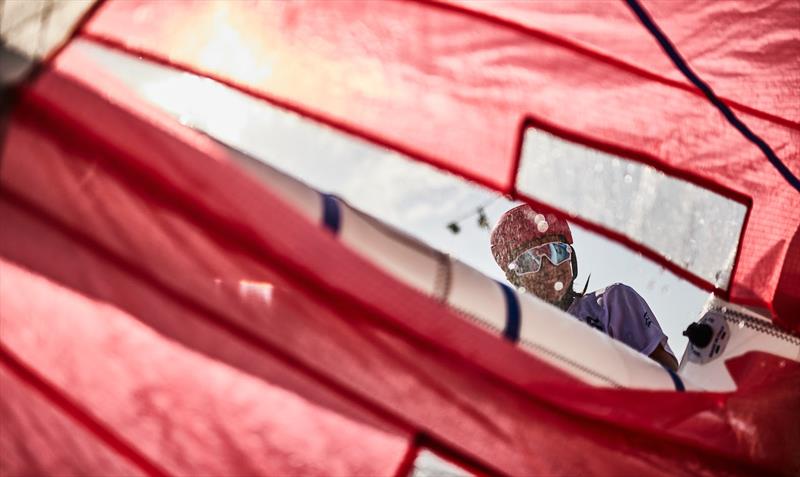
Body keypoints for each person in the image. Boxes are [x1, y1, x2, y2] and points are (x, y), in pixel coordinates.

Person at [490, 204, 679, 371]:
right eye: (529, 261)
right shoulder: (516, 341)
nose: (548, 267)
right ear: (513, 278)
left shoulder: (612, 303)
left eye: (557, 251)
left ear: (571, 258)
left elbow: (666, 373)